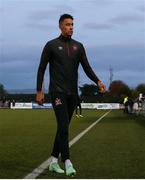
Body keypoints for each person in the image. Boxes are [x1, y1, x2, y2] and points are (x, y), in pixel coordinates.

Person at [36, 14, 105, 176]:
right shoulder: (51, 45)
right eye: (67, 24)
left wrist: (98, 81)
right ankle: (67, 161)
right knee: (63, 126)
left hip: (73, 94)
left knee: (63, 127)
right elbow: (41, 68)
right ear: (60, 26)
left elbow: (87, 67)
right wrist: (39, 90)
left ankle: (53, 161)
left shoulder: (78, 46)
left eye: (72, 24)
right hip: (57, 91)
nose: (71, 27)